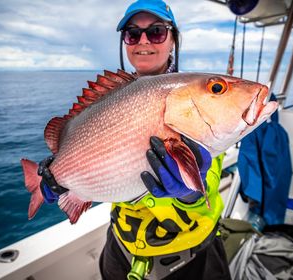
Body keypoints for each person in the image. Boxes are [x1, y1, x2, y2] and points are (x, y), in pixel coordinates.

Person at [98, 0, 231, 279]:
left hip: (193, 258)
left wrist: (192, 192)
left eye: (156, 31)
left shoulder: (196, 97)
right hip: (121, 247)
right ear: (125, 42)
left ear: (173, 40)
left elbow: (212, 171)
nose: (143, 41)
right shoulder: (109, 99)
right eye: (133, 34)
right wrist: (62, 180)